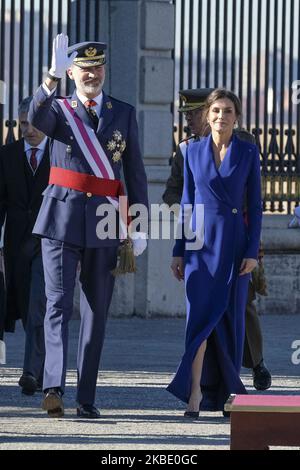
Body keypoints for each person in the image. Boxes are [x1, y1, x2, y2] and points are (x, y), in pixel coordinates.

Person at [28, 34, 148, 418]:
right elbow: (33, 116)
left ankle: (86, 396)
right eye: (83, 68)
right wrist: (50, 77)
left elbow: (135, 173)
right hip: (61, 216)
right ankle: (53, 387)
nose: (91, 73)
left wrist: (138, 223)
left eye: (97, 67)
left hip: (106, 221)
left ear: (104, 70)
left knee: (97, 310)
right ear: (72, 72)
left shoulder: (123, 112)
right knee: (58, 305)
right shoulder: (58, 110)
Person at [163, 88, 271, 391]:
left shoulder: (247, 149)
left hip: (236, 241)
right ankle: (194, 391)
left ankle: (239, 379)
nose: (220, 116)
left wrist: (253, 248)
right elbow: (181, 198)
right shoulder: (188, 151)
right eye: (215, 111)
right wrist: (178, 249)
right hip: (200, 245)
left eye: (227, 111)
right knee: (199, 319)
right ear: (208, 116)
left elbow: (256, 204)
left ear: (236, 117)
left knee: (236, 316)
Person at [0, 97, 49, 393]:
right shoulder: (7, 155)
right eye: (23, 123)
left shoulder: (59, 154)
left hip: (47, 243)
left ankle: (31, 372)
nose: (29, 130)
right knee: (15, 306)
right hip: (16, 244)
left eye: (34, 123)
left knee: (37, 307)